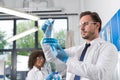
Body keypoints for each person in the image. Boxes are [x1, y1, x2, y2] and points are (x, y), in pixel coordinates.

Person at [40, 11, 118, 80]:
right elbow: (52, 59)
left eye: (85, 24)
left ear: (97, 25)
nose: (82, 28)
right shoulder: (76, 50)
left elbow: (101, 74)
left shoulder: (108, 48)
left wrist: (67, 60)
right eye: (80, 25)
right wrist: (47, 38)